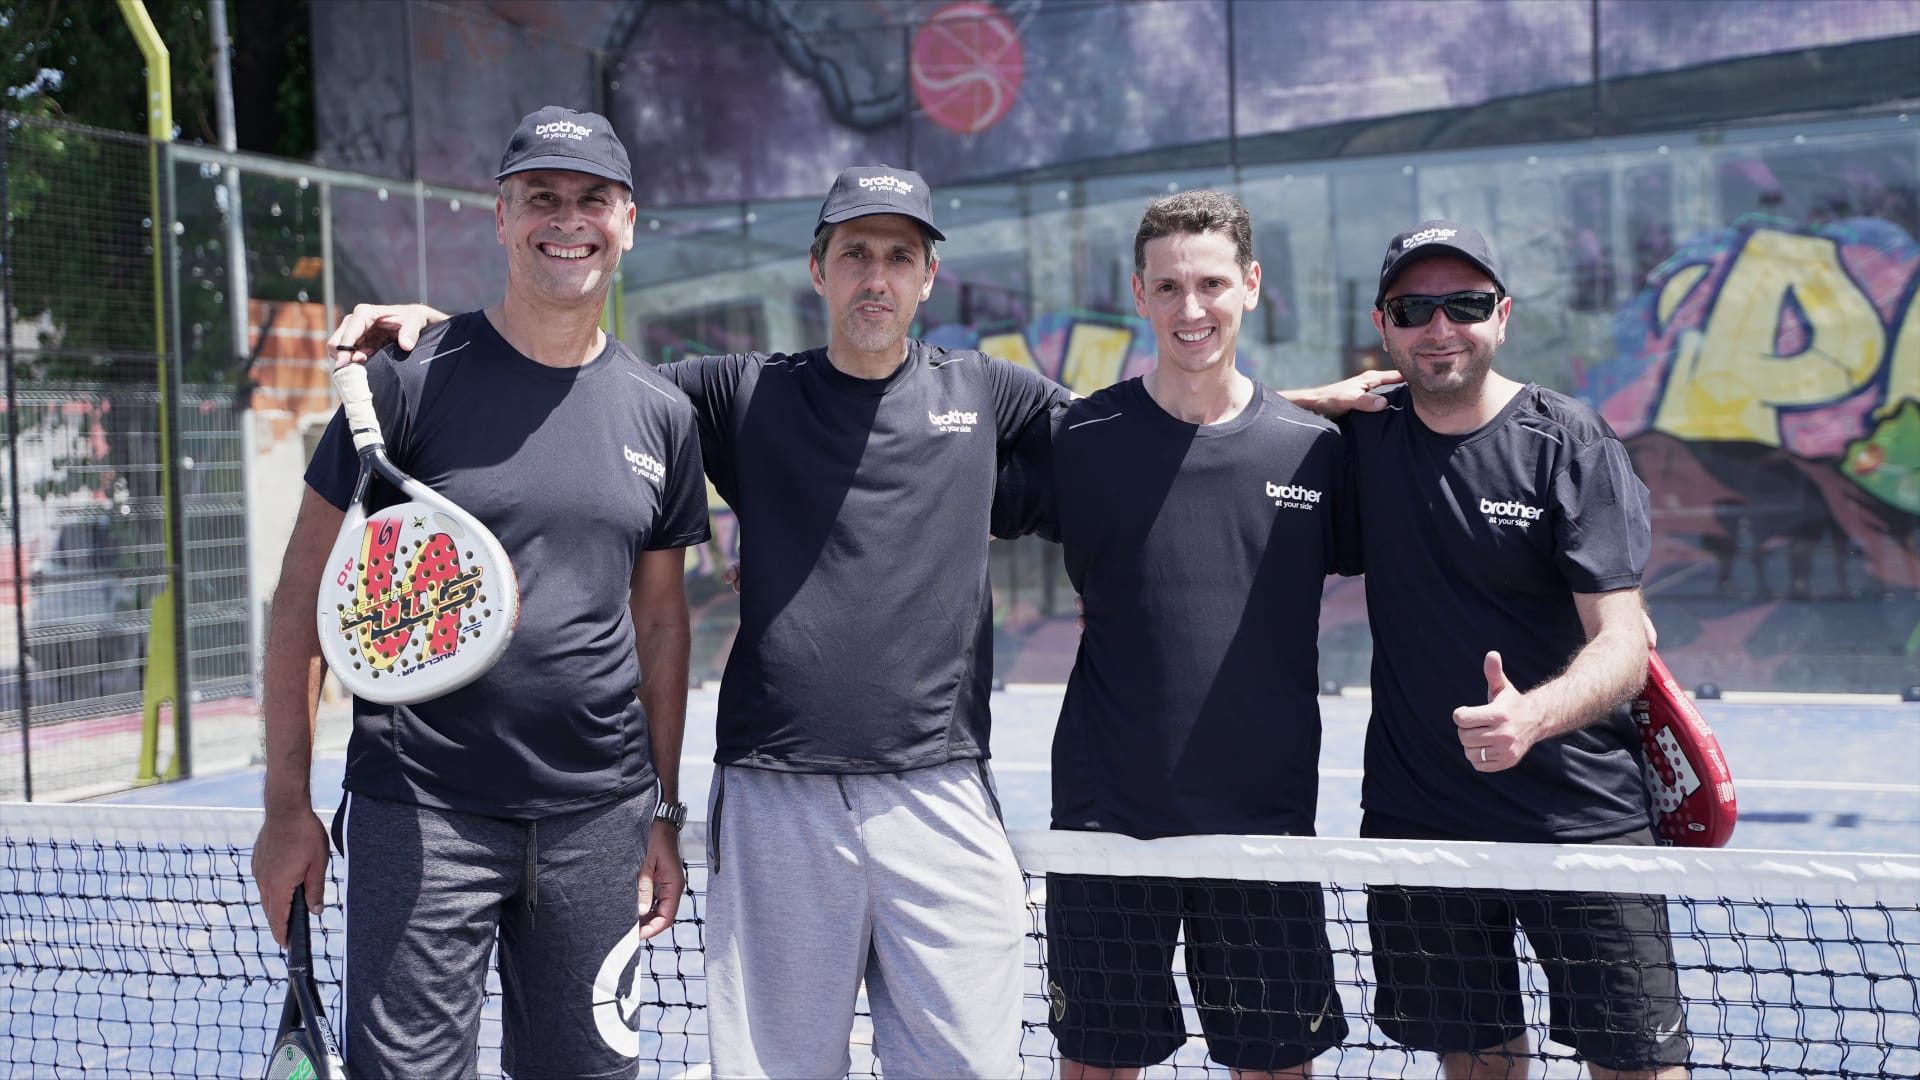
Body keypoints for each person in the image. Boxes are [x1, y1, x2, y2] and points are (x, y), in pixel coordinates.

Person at [324, 166, 1071, 1078]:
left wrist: (1288, 419)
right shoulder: (738, 392)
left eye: (899, 258)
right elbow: (568, 372)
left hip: (939, 790)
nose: (876, 277)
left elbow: (1157, 430)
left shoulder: (994, 394)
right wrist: (441, 334)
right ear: (818, 269)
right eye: (855, 254)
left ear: (926, 278)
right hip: (774, 798)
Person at [251, 106, 711, 1078]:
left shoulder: (661, 413)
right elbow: (300, 600)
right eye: (541, 197)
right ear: (500, 218)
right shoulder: (405, 384)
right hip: (422, 815)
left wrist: (661, 811)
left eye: (592, 199)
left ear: (627, 221)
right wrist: (286, 807)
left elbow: (662, 624)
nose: (567, 219)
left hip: (598, 824)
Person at [994, 190, 1353, 1078]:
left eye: (1212, 284)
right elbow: (921, 484)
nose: (1192, 308)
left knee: (1273, 1067)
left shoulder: (1315, 449)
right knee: (1097, 1067)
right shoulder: (1081, 437)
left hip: (1262, 825)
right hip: (1105, 822)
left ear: (1253, 285)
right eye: (1169, 287)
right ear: (1140, 293)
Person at [1343, 219, 1690, 1079]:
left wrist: (1532, 716)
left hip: (1578, 820)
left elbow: (1622, 642)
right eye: (1414, 308)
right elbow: (1239, 422)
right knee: (1477, 1060)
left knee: (1639, 1065)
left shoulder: (1570, 443)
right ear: (1384, 326)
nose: (1439, 327)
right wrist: (1319, 398)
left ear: (1503, 315)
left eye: (1463, 304)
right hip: (1420, 818)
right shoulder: (1361, 437)